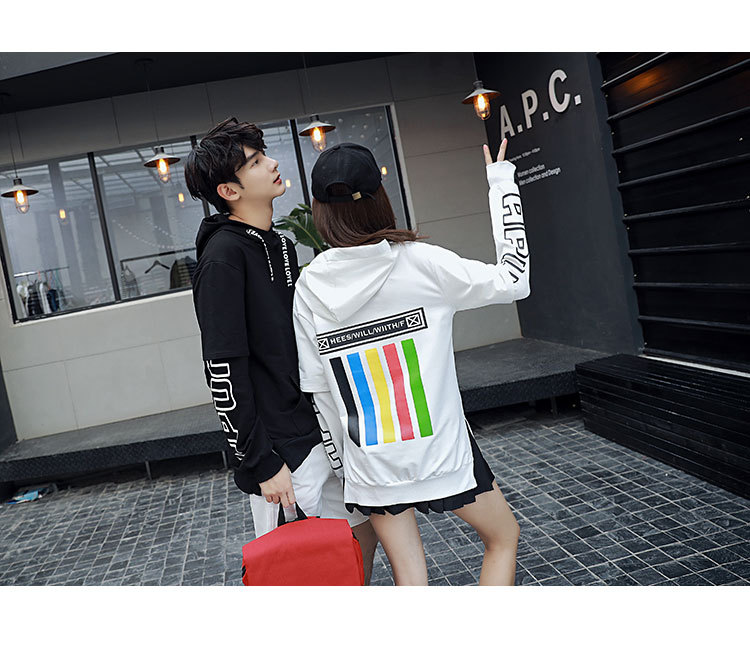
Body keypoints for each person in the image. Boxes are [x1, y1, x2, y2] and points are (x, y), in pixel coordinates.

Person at [292, 138, 528, 585]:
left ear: (320, 211)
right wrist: (502, 185)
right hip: (441, 452)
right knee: (503, 538)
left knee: (410, 580)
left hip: (371, 464)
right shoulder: (421, 263)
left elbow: (318, 392)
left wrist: (349, 475)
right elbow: (514, 280)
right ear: (380, 199)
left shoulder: (309, 287)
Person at [184, 118, 378, 584]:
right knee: (304, 573)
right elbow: (223, 368)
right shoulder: (223, 258)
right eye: (255, 162)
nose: (272, 163)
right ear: (229, 191)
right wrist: (261, 463)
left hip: (321, 429)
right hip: (282, 454)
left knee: (358, 543)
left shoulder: (280, 245)